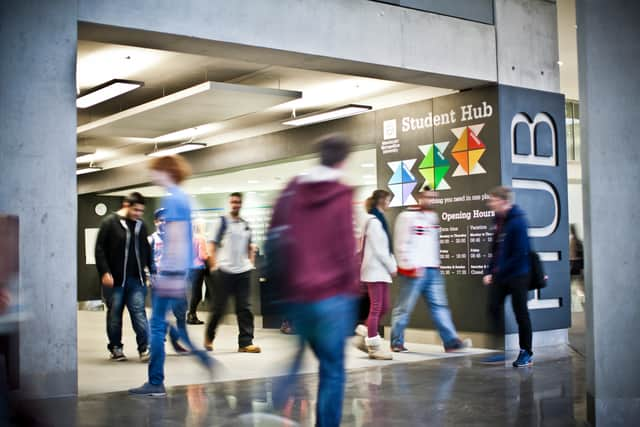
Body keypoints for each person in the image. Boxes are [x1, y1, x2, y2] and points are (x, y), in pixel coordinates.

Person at [270, 134, 359, 427]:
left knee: (298, 356)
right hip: (332, 298)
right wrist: (352, 292)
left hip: (298, 296)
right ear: (344, 160)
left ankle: (277, 395)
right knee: (332, 370)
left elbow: (274, 234)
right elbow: (346, 249)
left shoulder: (293, 188)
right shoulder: (342, 195)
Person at [129, 155, 213, 397]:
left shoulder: (173, 199)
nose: (153, 175)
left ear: (166, 171)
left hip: (171, 272)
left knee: (156, 327)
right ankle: (202, 360)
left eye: (156, 171)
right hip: (178, 272)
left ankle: (156, 382)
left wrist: (168, 274)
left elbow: (176, 239)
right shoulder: (182, 197)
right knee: (169, 326)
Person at [390, 185, 471, 353]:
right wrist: (408, 265)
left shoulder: (432, 217)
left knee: (440, 306)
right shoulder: (407, 217)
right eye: (428, 196)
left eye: (433, 197)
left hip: (432, 270)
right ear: (419, 196)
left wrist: (436, 263)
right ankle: (396, 341)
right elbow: (400, 244)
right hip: (414, 270)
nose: (431, 200)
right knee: (404, 308)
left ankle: (450, 342)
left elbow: (433, 243)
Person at [95, 192, 152, 362]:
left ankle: (144, 349)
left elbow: (147, 251)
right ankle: (116, 348)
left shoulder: (141, 225)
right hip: (115, 281)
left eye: (141, 211)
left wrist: (152, 272)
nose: (138, 214)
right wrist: (105, 272)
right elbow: (99, 250)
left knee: (139, 314)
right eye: (135, 210)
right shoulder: (109, 223)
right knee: (115, 315)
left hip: (136, 280)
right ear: (126, 205)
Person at [482, 186, 533, 368]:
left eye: (493, 200)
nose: (490, 204)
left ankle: (526, 352)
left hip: (519, 274)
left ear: (504, 202)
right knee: (493, 307)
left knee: (521, 314)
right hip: (501, 274)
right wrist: (489, 270)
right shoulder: (497, 220)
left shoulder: (518, 221)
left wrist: (499, 271)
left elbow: (520, 253)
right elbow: (494, 249)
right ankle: (500, 352)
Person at [205, 192, 261, 353]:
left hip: (243, 271)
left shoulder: (245, 224)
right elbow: (211, 246)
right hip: (225, 271)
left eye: (238, 202)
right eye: (233, 202)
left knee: (245, 308)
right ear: (229, 203)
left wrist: (250, 263)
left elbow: (251, 246)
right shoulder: (222, 222)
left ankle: (245, 342)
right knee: (219, 308)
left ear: (241, 204)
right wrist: (214, 266)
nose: (235, 204)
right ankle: (209, 337)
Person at [355, 190, 397, 360]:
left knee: (384, 306)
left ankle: (364, 332)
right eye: (387, 200)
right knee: (377, 308)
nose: (388, 204)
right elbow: (380, 249)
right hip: (375, 270)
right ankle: (373, 347)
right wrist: (392, 266)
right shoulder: (374, 222)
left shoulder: (377, 220)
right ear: (381, 201)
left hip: (379, 271)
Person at [148, 208, 189, 354]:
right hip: (159, 282)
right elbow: (147, 261)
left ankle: (179, 342)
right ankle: (158, 343)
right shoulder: (151, 239)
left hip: (177, 281)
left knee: (181, 313)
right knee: (161, 315)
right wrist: (149, 278)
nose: (164, 223)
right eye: (161, 220)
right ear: (155, 221)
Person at [187, 220, 208, 325]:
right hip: (199, 268)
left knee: (195, 293)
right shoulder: (201, 238)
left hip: (190, 268)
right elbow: (203, 256)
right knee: (197, 294)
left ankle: (192, 315)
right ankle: (191, 315)